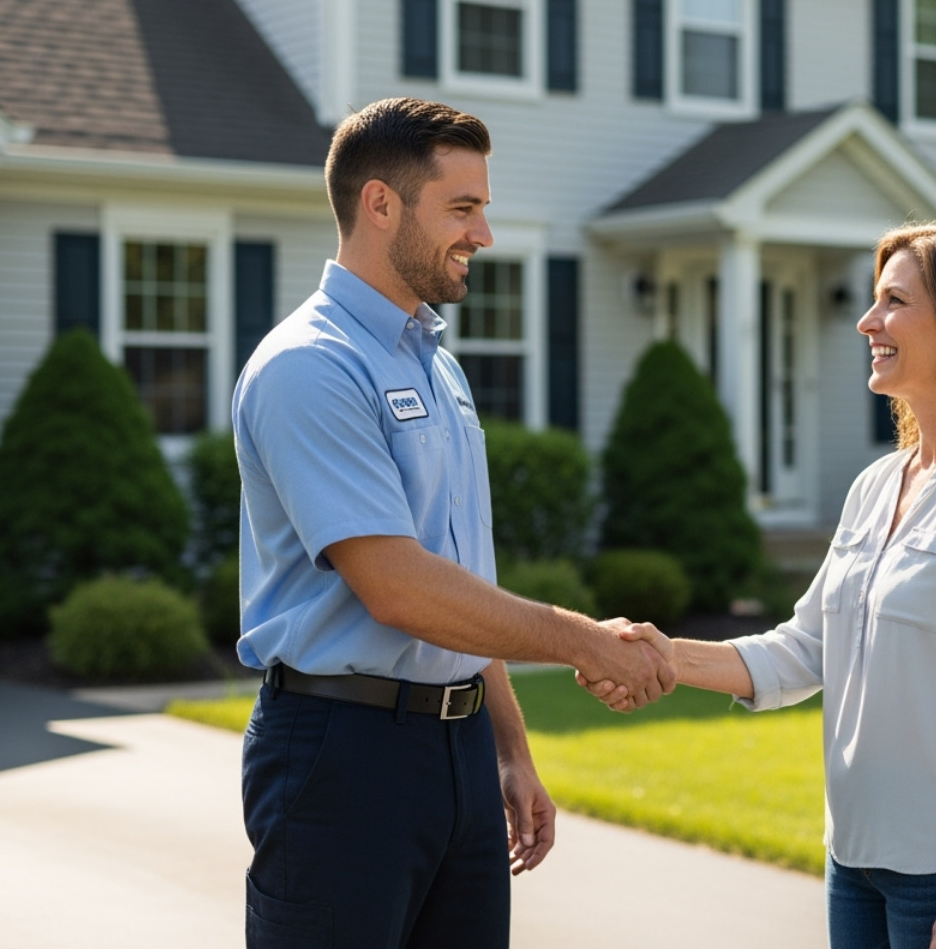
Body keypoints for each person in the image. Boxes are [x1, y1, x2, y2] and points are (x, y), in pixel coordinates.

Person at [234, 96, 674, 949]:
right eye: (463, 209)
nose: (484, 234)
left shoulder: (437, 365)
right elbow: (399, 587)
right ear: (381, 204)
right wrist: (585, 642)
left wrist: (507, 746)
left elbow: (460, 583)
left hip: (460, 750)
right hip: (341, 754)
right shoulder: (310, 367)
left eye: (484, 209)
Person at [591, 222, 936, 949]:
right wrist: (658, 652)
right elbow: (804, 650)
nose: (868, 321)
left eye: (894, 301)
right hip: (853, 862)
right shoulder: (877, 484)